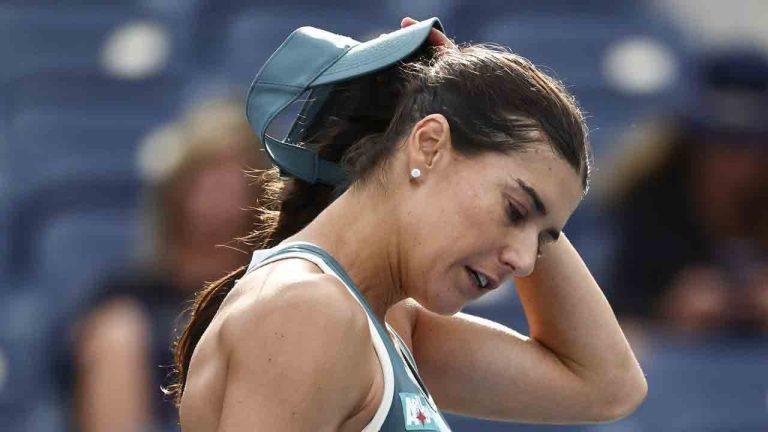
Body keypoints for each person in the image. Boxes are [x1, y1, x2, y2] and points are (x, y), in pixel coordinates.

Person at [170, 18, 647, 431]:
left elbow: (607, 386)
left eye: (543, 239)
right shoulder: (308, 311)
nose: (524, 262)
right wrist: (463, 92)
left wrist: (465, 95)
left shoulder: (387, 321)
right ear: (430, 146)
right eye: (515, 211)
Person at [70, 98, 269, 432]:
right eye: (205, 178)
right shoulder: (127, 305)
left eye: (230, 180)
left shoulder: (273, 292)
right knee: (115, 336)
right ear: (177, 189)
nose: (217, 197)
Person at [604, 50, 768, 336]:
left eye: (747, 146)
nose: (731, 163)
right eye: (717, 143)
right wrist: (665, 312)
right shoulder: (647, 203)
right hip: (673, 375)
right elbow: (613, 321)